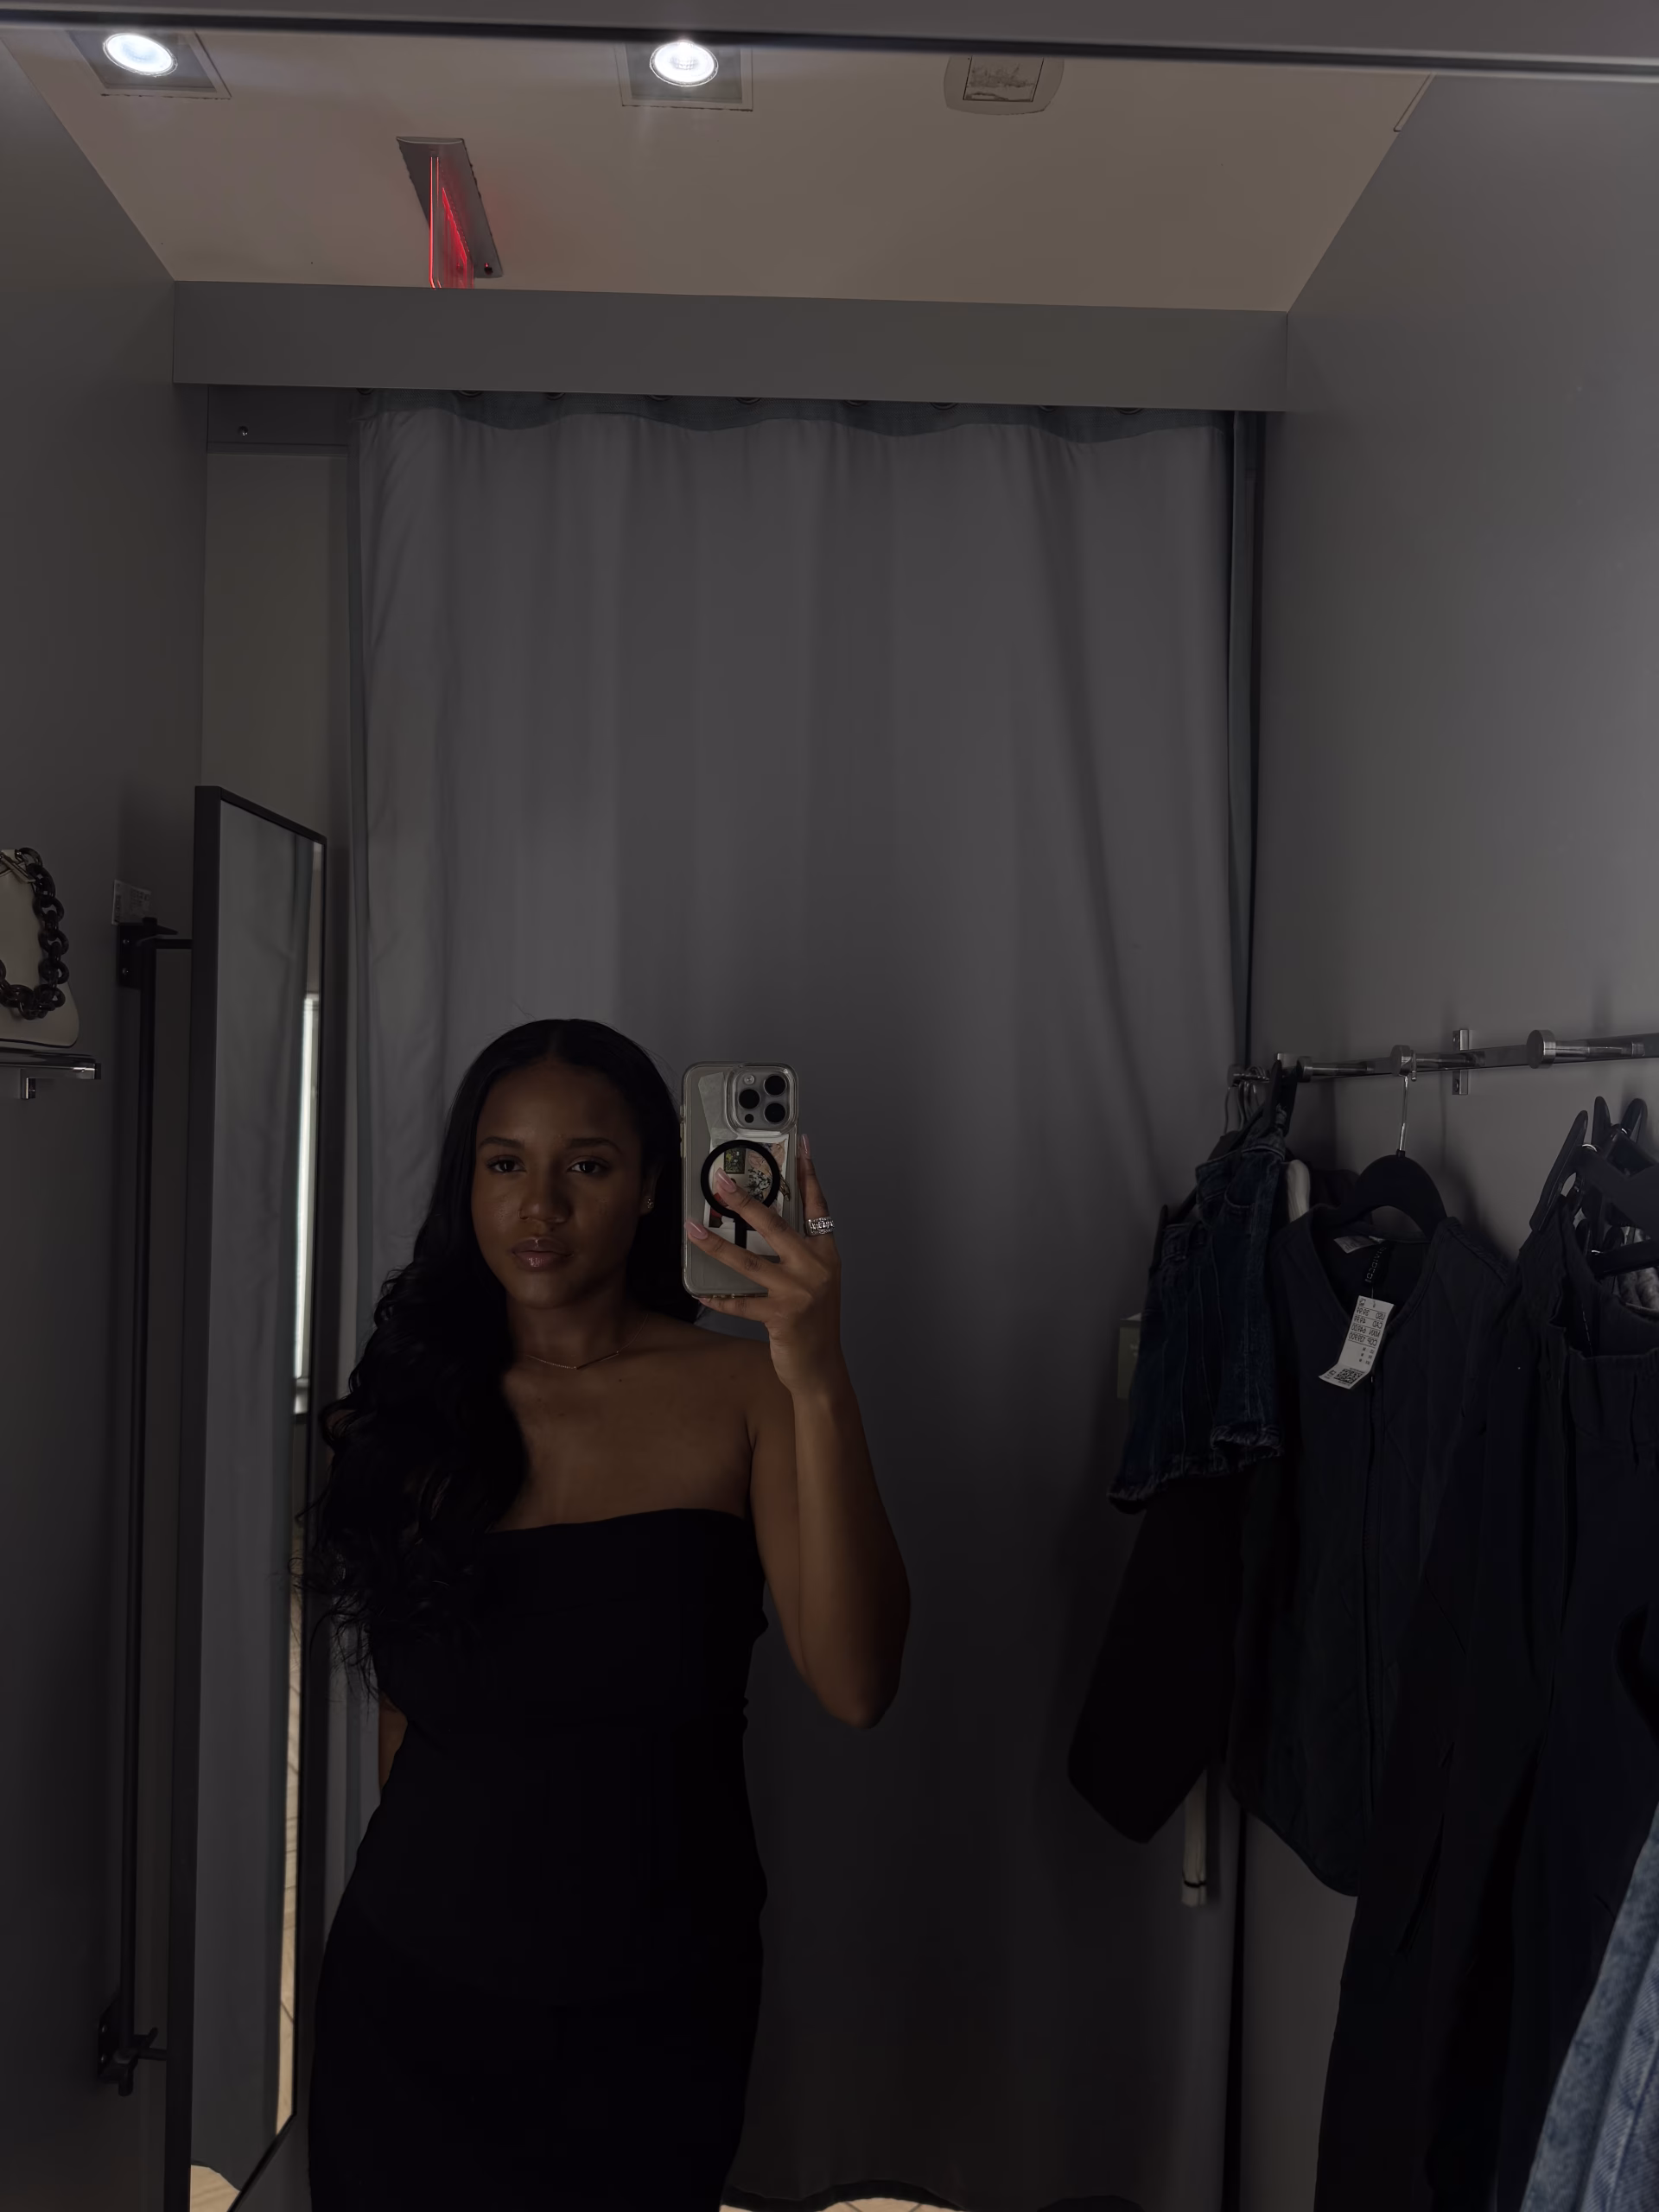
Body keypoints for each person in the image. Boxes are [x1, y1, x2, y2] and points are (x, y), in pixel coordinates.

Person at [304, 1018, 908, 2212]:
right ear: (468, 1181)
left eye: (586, 1164)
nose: (540, 1206)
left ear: (649, 1189)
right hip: (412, 2000)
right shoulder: (412, 1407)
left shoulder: (749, 1389)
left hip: (656, 2013)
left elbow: (857, 1685)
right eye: (505, 1163)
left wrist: (820, 1375)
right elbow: (407, 1724)